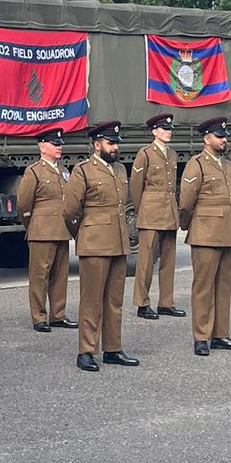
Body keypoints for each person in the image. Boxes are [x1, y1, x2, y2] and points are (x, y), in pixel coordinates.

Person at [63, 120, 139, 372]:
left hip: (118, 243)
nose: (115, 147)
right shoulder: (83, 170)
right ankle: (86, 351)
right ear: (97, 145)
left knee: (114, 300)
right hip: (94, 244)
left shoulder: (119, 170)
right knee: (91, 300)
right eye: (110, 142)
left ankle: (113, 349)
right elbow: (70, 210)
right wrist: (84, 234)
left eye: (116, 142)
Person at [179, 118, 231, 357]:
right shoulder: (196, 164)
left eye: (224, 136)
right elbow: (186, 201)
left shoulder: (227, 165)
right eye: (219, 136)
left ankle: (220, 334)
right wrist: (188, 226)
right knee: (203, 287)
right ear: (207, 139)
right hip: (205, 232)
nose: (223, 140)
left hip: (228, 231)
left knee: (223, 286)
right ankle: (201, 336)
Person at [18, 127, 78, 333]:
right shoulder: (33, 171)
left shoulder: (64, 171)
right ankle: (39, 316)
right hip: (41, 231)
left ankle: (58, 314)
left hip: (62, 229)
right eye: (55, 144)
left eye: (60, 144)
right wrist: (32, 226)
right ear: (42, 147)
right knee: (39, 275)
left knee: (61, 274)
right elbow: (24, 204)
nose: (59, 148)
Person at [130, 112, 185, 321]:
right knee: (146, 260)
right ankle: (142, 303)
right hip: (151, 211)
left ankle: (166, 302)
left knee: (168, 260)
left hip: (169, 211)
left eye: (170, 129)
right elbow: (136, 187)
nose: (168, 132)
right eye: (164, 129)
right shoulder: (145, 154)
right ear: (154, 131)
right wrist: (141, 210)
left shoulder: (172, 154)